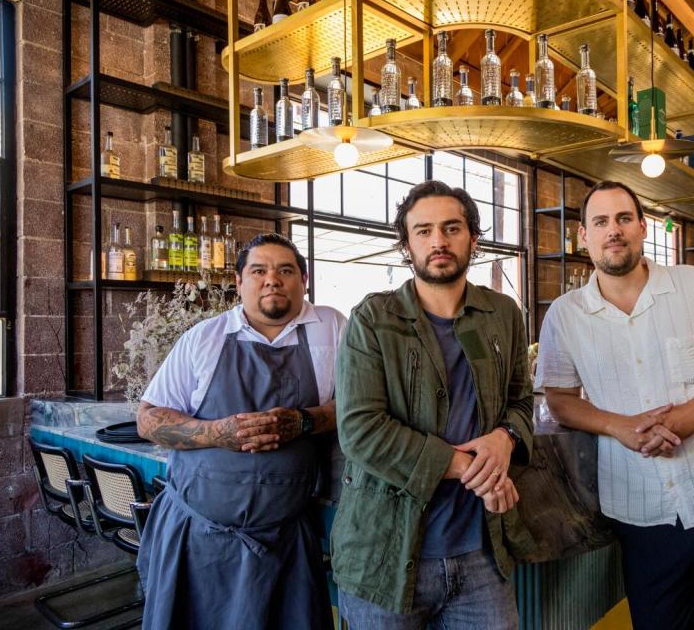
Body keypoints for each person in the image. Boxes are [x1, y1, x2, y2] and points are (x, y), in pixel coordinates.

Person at [535, 181, 694, 630]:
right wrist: (618, 426)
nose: (614, 231)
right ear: (583, 236)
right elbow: (559, 400)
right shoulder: (565, 315)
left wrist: (693, 413)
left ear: (642, 228)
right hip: (643, 513)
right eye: (601, 222)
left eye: (624, 219)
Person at [333, 180, 534, 629]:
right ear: (407, 245)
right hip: (386, 555)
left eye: (451, 228)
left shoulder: (503, 313)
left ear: (473, 239)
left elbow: (521, 401)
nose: (438, 241)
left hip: (482, 551)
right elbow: (361, 430)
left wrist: (507, 437)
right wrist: (470, 468)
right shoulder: (373, 318)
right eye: (423, 231)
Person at [135, 233, 344, 630]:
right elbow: (147, 418)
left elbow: (355, 407)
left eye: (285, 270)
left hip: (286, 540)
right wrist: (217, 433)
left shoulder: (332, 329)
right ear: (239, 282)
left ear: (304, 279)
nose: (272, 280)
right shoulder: (204, 338)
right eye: (258, 271)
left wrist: (302, 421)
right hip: (199, 537)